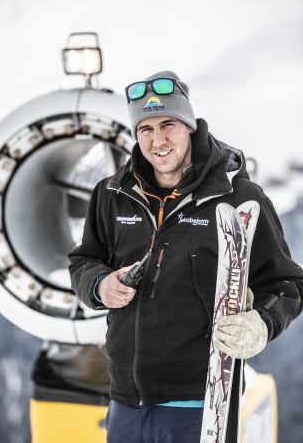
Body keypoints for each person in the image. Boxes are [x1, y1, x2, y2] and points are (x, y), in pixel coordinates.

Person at [68, 70, 303, 443]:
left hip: (203, 403)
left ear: (190, 127)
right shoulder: (112, 193)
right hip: (125, 401)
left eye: (168, 125)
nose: (158, 140)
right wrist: (99, 284)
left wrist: (261, 324)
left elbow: (287, 284)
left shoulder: (238, 197)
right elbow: (83, 261)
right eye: (145, 128)